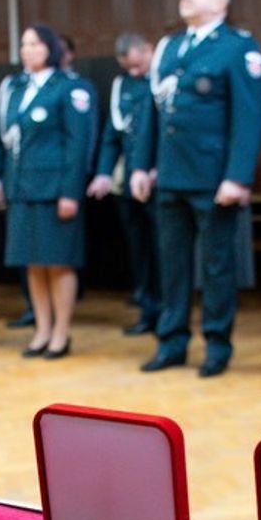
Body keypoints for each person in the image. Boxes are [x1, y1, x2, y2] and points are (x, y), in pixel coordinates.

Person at [130, 0, 261, 378]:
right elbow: (153, 111)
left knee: (216, 266)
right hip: (171, 174)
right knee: (171, 265)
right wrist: (141, 165)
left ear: (219, 3)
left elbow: (249, 117)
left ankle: (217, 344)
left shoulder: (237, 48)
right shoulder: (170, 48)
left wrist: (237, 177)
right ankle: (171, 341)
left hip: (213, 178)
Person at [0, 23, 93, 359]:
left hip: (54, 190)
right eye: (24, 44)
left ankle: (61, 333)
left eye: (35, 44)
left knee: (58, 262)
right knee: (32, 263)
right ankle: (42, 330)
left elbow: (78, 145)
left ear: (50, 49)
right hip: (20, 188)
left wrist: (70, 192)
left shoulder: (69, 87)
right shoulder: (14, 88)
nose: (28, 50)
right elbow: (2, 139)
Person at [87, 32, 158, 335]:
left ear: (149, 51)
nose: (134, 72)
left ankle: (169, 314)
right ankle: (148, 310)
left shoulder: (165, 79)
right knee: (139, 250)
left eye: (138, 65)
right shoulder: (122, 85)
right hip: (129, 182)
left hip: (160, 181)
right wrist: (103, 173)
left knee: (163, 251)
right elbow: (112, 135)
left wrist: (156, 169)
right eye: (128, 67)